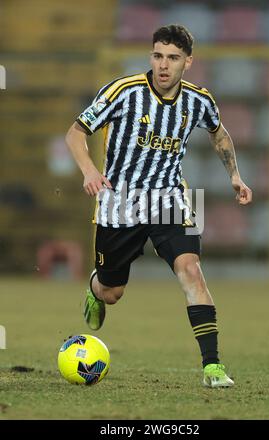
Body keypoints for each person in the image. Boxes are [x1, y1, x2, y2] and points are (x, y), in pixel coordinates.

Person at [65, 24, 252, 388]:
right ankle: (95, 287)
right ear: (151, 55)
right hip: (118, 201)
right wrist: (89, 171)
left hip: (170, 197)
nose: (163, 65)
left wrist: (235, 175)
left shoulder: (199, 100)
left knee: (192, 271)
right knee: (112, 292)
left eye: (173, 58)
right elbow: (75, 133)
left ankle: (212, 367)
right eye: (157, 56)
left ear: (188, 62)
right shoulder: (123, 91)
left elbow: (218, 131)